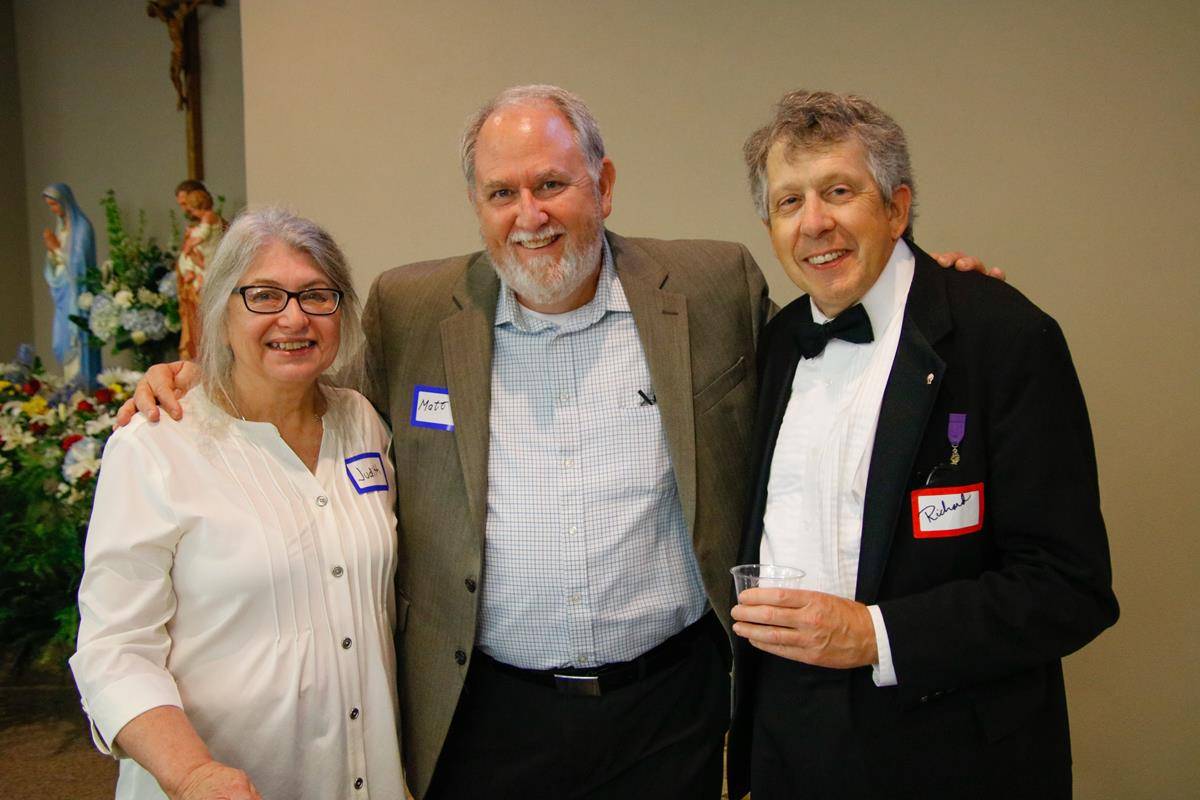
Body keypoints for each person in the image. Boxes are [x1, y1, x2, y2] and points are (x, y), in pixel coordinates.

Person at [123, 85, 994, 799]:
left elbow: (825, 358)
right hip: (486, 711)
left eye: (553, 185)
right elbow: (300, 363)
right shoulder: (411, 309)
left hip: (669, 709)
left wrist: (917, 285)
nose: (528, 215)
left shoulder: (713, 283)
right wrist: (196, 373)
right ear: (477, 205)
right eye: (502, 193)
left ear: (603, 186)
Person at [727, 90, 1119, 800]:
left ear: (897, 208)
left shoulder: (1003, 337)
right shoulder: (778, 344)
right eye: (789, 202)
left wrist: (876, 636)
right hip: (790, 744)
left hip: (948, 753)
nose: (814, 223)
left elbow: (1070, 587)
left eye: (838, 191)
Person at [70, 208, 405, 799]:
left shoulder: (363, 422)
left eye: (316, 296)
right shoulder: (157, 444)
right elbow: (114, 651)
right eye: (263, 296)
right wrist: (193, 774)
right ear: (221, 311)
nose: (293, 317)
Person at [41, 182, 101, 386]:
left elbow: (79, 265)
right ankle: (71, 391)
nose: (53, 210)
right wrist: (52, 252)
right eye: (50, 206)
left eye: (55, 205)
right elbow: (56, 266)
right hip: (63, 296)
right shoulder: (61, 229)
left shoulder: (82, 228)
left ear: (65, 202)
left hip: (77, 296)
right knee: (63, 341)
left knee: (79, 343)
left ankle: (83, 388)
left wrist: (56, 249)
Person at [176, 187, 225, 360]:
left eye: (191, 208)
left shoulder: (209, 216)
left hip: (208, 261)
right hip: (201, 260)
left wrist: (190, 242)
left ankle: (192, 273)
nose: (189, 212)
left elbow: (203, 235)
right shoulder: (202, 220)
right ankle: (190, 272)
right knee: (185, 259)